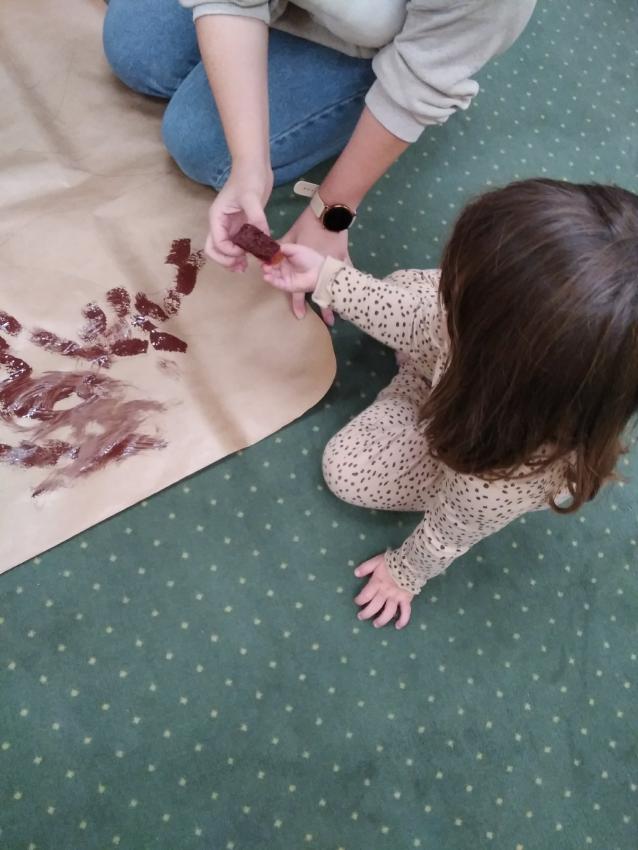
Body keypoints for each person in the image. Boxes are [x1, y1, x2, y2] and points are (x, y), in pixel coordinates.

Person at [261, 179, 638, 629]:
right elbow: (422, 315)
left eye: (460, 285)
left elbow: (451, 529)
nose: (448, 282)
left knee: (348, 469)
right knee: (402, 291)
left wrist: (404, 573)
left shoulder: (499, 475)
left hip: (469, 437)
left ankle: (417, 384)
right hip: (474, 365)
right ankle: (437, 353)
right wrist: (328, 279)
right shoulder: (488, 330)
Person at [103, 0, 536, 317]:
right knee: (133, 50)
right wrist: (249, 166)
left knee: (197, 143)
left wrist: (331, 213)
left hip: (376, 43)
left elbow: (418, 85)